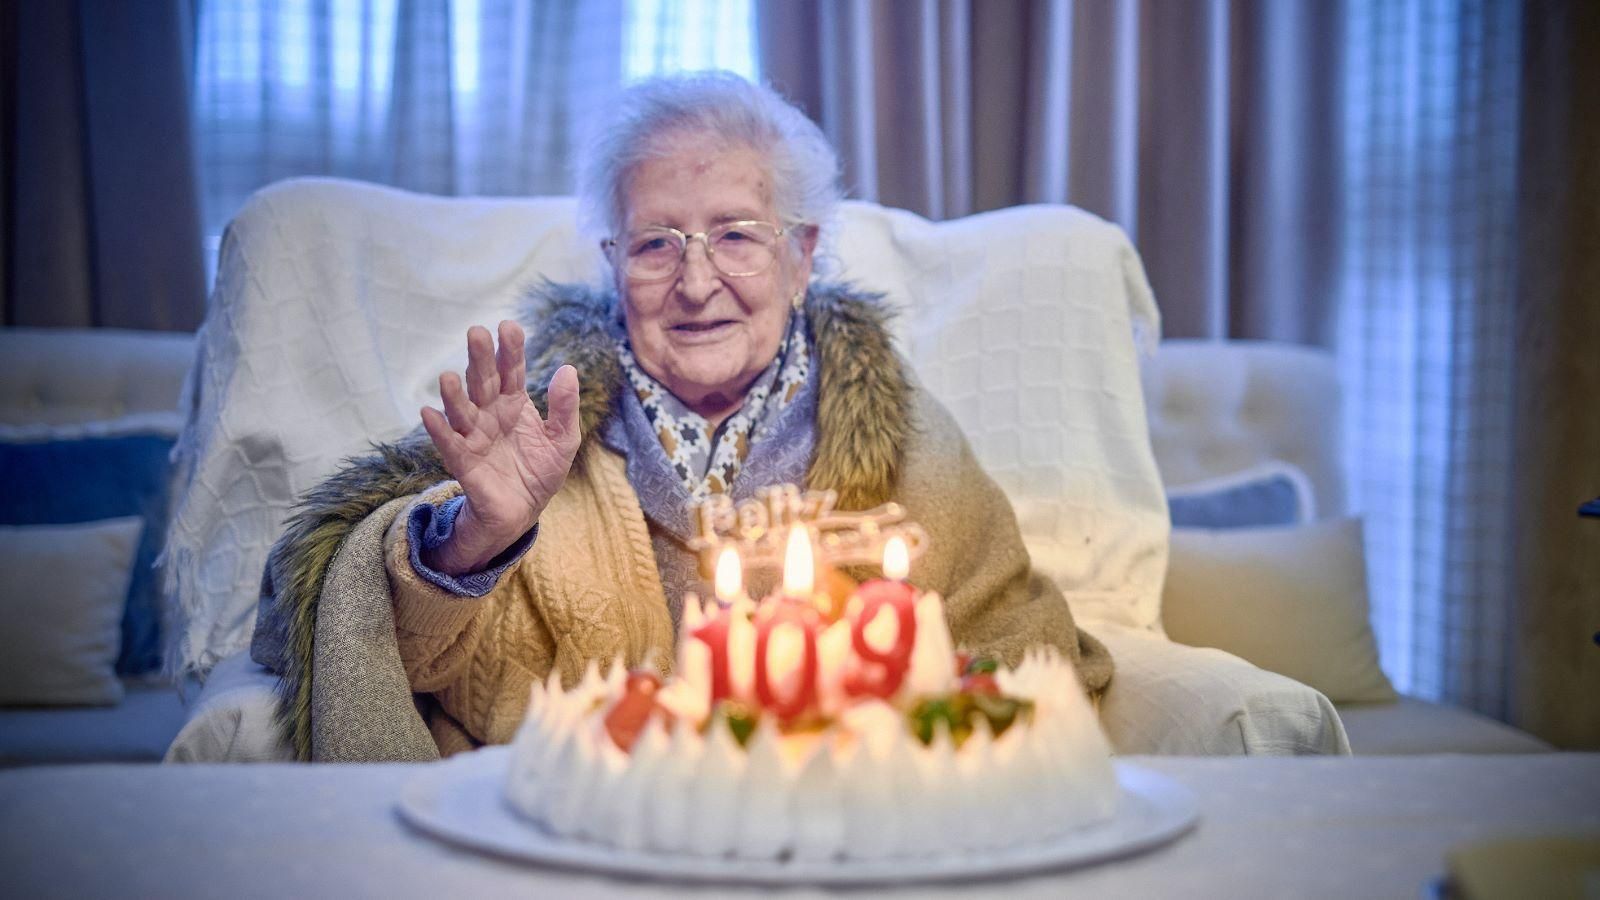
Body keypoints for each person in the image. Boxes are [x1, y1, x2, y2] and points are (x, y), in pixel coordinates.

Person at [252, 72, 1111, 762]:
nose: (696, 285)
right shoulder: (531, 436)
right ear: (612, 264)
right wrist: (476, 536)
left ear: (802, 254)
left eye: (736, 235)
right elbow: (411, 661)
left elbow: (1017, 653)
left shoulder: (911, 441)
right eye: (657, 243)